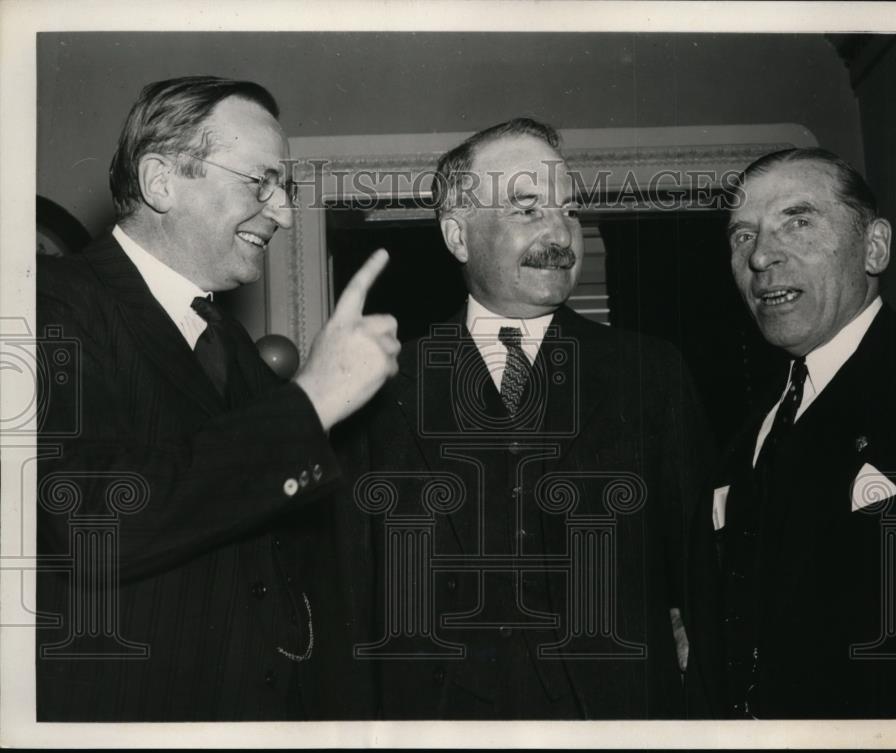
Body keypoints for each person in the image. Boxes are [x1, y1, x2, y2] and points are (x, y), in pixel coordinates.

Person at [35, 76, 399, 721]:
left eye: (282, 188)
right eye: (259, 181)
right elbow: (93, 522)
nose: (284, 211)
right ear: (161, 181)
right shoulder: (46, 304)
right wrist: (310, 401)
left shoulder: (229, 343)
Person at [333, 118, 715, 719]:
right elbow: (352, 595)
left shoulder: (652, 373)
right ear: (458, 235)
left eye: (567, 209)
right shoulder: (380, 385)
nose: (559, 232)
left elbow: (702, 578)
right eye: (527, 208)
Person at [711, 147, 896, 718]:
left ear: (874, 247)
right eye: (742, 236)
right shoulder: (752, 423)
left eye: (797, 221)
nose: (762, 256)